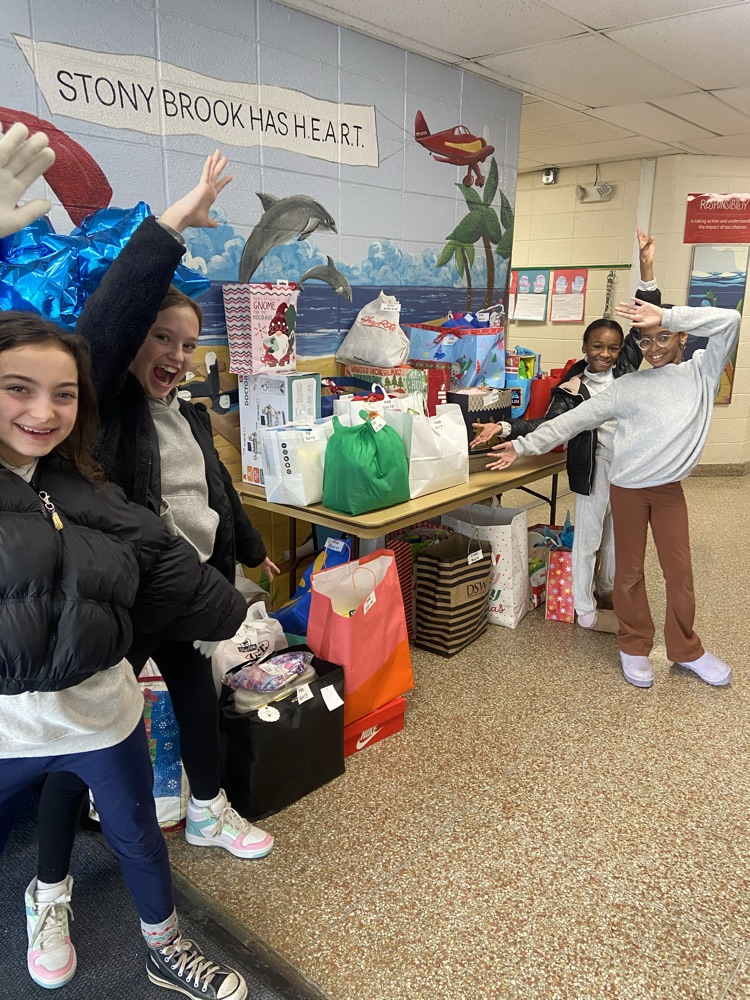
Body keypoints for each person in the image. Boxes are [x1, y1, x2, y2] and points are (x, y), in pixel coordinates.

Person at [0, 124, 250, 997]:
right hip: (8, 730)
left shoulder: (81, 478)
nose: (44, 412)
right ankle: (47, 895)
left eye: (65, 394)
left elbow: (163, 545)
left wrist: (235, 613)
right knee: (54, 837)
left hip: (101, 710)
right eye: (17, 390)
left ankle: (162, 944)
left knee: (142, 833)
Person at [486, 296, 740, 691]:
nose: (653, 348)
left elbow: (731, 319)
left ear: (683, 338)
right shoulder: (627, 387)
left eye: (664, 338)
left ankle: (686, 650)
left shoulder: (701, 372)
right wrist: (520, 445)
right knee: (629, 572)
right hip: (628, 490)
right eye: (645, 342)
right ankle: (634, 645)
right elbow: (570, 420)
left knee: (680, 573)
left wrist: (666, 314)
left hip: (669, 490)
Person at [471, 228, 661, 630]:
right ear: (585, 346)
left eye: (612, 347)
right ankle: (585, 609)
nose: (606, 354)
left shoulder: (626, 366)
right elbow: (548, 425)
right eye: (597, 347)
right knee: (589, 537)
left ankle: (607, 590)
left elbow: (645, 320)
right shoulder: (573, 387)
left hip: (627, 467)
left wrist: (646, 268)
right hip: (591, 471)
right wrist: (505, 427)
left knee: (617, 536)